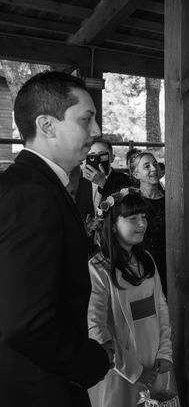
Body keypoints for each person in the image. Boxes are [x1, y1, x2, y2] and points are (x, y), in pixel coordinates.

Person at [0, 71, 110, 406]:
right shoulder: (32, 195)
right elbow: (25, 321)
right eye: (86, 119)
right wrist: (89, 361)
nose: (96, 131)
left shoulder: (27, 185)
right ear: (47, 125)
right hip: (37, 388)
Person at [87, 189, 172, 407]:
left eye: (143, 217)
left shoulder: (147, 260)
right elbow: (95, 327)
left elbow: (161, 308)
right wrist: (134, 371)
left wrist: (165, 351)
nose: (142, 224)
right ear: (113, 224)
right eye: (133, 218)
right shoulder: (98, 268)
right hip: (119, 370)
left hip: (155, 362)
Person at [129, 151, 166, 294]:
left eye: (155, 164)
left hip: (169, 263)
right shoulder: (133, 202)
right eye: (147, 166)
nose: (154, 169)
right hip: (142, 265)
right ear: (136, 175)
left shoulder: (170, 199)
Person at [77, 138, 132, 234]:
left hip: (115, 236)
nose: (97, 159)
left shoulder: (125, 180)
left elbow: (126, 208)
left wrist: (103, 184)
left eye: (102, 155)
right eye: (92, 155)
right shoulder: (79, 182)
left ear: (112, 158)